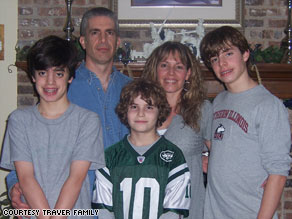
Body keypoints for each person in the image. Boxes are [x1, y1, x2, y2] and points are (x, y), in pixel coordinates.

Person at [6, 7, 132, 211]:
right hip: (71, 203)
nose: (103, 40)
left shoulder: (133, 90)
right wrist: (15, 184)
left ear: (117, 41)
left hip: (121, 202)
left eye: (109, 33)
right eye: (95, 32)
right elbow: (34, 142)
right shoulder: (60, 86)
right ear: (83, 41)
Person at [0, 35, 105, 218]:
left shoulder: (87, 121)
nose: (50, 82)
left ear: (70, 77)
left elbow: (76, 178)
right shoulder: (19, 120)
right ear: (33, 76)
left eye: (58, 73)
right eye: (42, 73)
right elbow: (25, 177)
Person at [199, 26, 291, 219]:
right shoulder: (218, 102)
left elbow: (278, 173)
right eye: (214, 59)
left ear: (246, 54)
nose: (222, 63)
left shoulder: (268, 105)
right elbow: (217, 145)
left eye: (228, 53)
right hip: (215, 213)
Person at [92, 79, 191, 218]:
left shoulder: (174, 156)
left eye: (149, 107)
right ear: (124, 110)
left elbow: (174, 212)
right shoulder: (110, 156)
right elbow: (104, 211)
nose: (141, 113)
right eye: (134, 106)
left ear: (160, 111)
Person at [142, 41, 212, 219]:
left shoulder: (202, 109)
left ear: (188, 73)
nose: (171, 73)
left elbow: (221, 155)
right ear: (155, 70)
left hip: (188, 208)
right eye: (164, 65)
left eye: (178, 67)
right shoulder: (140, 107)